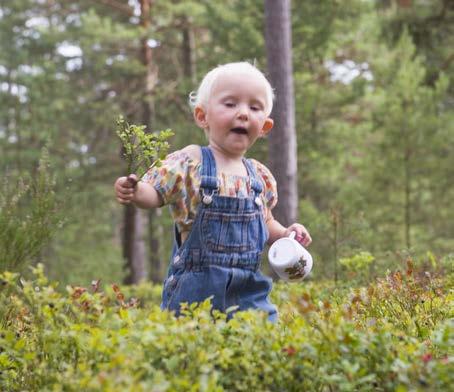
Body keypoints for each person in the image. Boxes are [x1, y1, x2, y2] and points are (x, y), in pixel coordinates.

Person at [114, 62, 311, 321]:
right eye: (230, 104)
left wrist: (285, 234)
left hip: (249, 292)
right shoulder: (190, 162)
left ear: (264, 126)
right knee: (192, 353)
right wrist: (137, 190)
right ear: (202, 116)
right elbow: (156, 194)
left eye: (254, 107)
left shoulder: (258, 176)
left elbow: (265, 221)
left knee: (259, 339)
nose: (243, 113)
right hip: (196, 293)